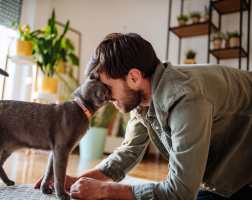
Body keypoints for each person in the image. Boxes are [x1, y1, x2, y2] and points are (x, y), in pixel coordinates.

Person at [35, 33, 252, 200]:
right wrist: (79, 180)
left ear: (134, 76)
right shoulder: (143, 98)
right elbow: (129, 152)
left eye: (107, 88)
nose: (104, 97)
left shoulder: (186, 98)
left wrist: (105, 190)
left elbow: (180, 192)